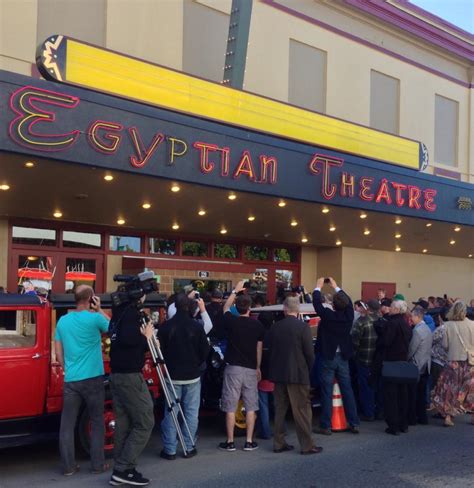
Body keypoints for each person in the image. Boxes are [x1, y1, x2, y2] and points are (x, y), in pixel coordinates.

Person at [54, 285, 110, 476]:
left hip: (72, 379)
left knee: (67, 425)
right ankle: (97, 464)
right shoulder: (95, 319)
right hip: (93, 378)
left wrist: (66, 368)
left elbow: (58, 353)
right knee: (97, 422)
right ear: (91, 298)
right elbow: (113, 328)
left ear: (75, 299)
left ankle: (69, 467)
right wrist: (100, 309)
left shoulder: (62, 321)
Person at [108, 297, 155, 486]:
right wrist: (147, 337)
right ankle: (123, 467)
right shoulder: (130, 317)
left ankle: (123, 469)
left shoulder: (118, 314)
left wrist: (144, 339)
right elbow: (130, 340)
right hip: (129, 376)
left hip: (117, 374)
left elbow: (125, 343)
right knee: (145, 421)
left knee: (124, 423)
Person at [158, 293, 210, 460]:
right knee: (191, 412)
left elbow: (161, 352)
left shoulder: (166, 327)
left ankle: (170, 449)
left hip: (172, 375)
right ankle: (188, 446)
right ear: (189, 307)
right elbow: (205, 351)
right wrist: (196, 363)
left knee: (171, 412)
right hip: (192, 375)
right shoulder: (196, 327)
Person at [268, 296, 322, 455]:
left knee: (280, 410)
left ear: (284, 309)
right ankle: (307, 445)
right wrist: (310, 372)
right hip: (298, 374)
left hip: (278, 374)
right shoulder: (302, 327)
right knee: (302, 410)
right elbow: (309, 354)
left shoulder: (275, 327)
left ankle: (278, 442)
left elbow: (269, 349)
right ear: (297, 310)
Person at [219, 281, 264, 452]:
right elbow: (259, 348)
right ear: (250, 307)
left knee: (230, 405)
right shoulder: (258, 325)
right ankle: (249, 441)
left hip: (233, 368)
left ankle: (230, 442)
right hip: (251, 368)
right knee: (251, 405)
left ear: (237, 308)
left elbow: (225, 308)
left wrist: (235, 291)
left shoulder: (232, 321)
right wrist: (258, 367)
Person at [312, 277, 360, 435]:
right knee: (347, 389)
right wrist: (336, 287)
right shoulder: (348, 316)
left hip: (329, 356)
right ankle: (354, 422)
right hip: (343, 357)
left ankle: (325, 425)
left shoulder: (328, 316)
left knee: (326, 390)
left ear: (333, 305)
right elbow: (349, 302)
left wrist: (318, 287)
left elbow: (317, 305)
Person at [431, 301, 474, 426]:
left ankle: (448, 417)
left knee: (449, 389)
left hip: (454, 361)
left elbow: (445, 345)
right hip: (470, 362)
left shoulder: (448, 325)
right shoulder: (473, 324)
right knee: (471, 389)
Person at [383, 300, 413, 435]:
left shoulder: (392, 323)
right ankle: (403, 424)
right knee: (403, 394)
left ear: (395, 309)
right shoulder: (406, 324)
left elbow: (386, 342)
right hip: (403, 361)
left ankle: (393, 425)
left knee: (391, 395)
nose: (389, 308)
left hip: (392, 362)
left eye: (391, 306)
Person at [351, 299, 380, 421]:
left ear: (367, 308)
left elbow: (354, 342)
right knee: (376, 386)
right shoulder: (382, 321)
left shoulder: (361, 322)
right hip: (377, 360)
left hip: (363, 359)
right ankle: (377, 410)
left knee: (364, 386)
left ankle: (368, 412)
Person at [407, 307, 433, 425]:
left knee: (413, 393)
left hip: (416, 365)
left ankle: (412, 418)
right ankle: (422, 417)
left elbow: (412, 349)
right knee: (421, 393)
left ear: (417, 317)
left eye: (412, 316)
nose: (411, 319)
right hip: (426, 364)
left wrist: (406, 359)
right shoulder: (427, 328)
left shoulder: (417, 331)